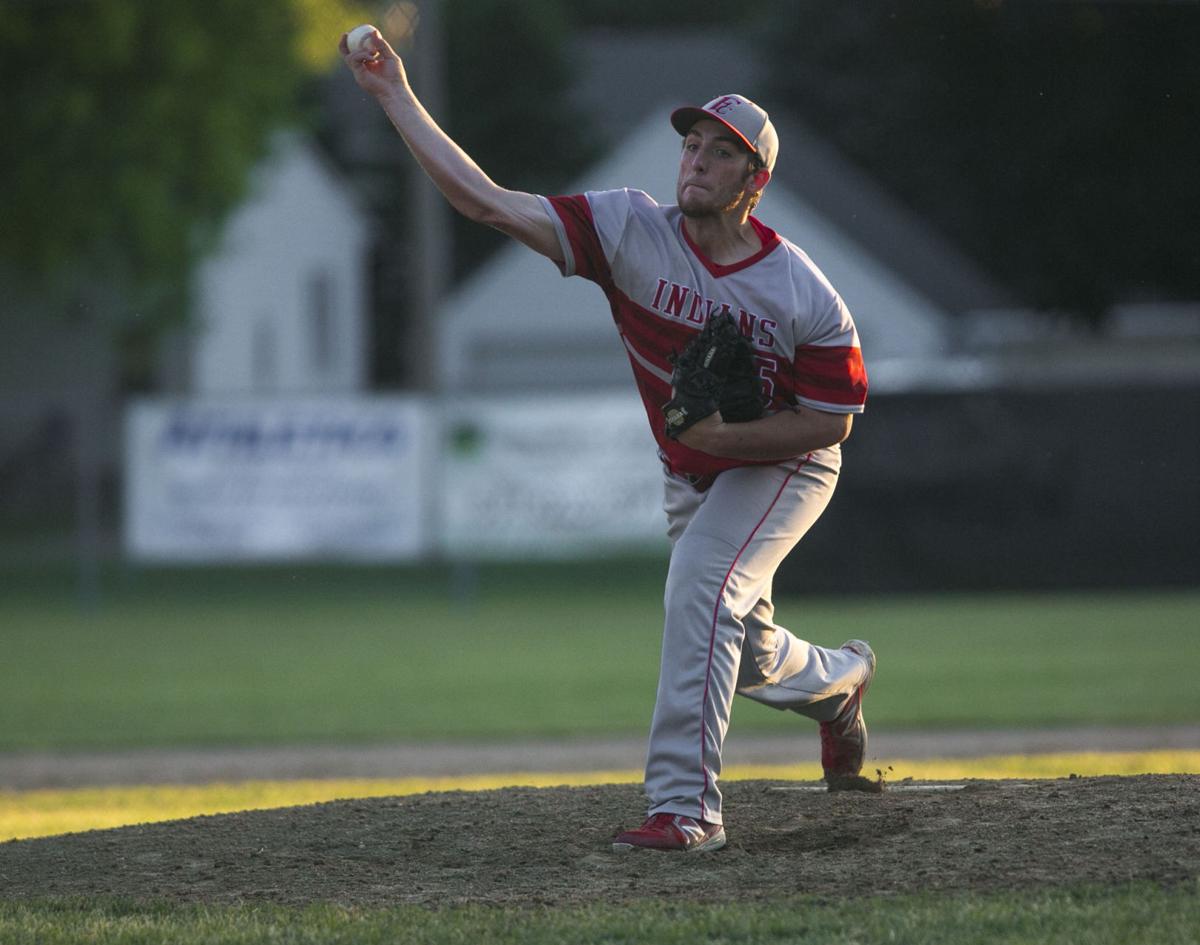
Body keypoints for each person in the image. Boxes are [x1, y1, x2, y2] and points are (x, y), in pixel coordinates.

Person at [340, 28, 875, 854]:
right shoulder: (630, 229)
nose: (696, 159)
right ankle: (838, 684)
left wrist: (730, 436)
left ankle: (686, 808)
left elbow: (832, 421)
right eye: (692, 143)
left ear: (754, 183)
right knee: (743, 646)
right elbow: (488, 201)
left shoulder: (803, 292)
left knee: (700, 583)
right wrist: (393, 96)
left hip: (788, 461)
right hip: (695, 471)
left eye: (722, 153)